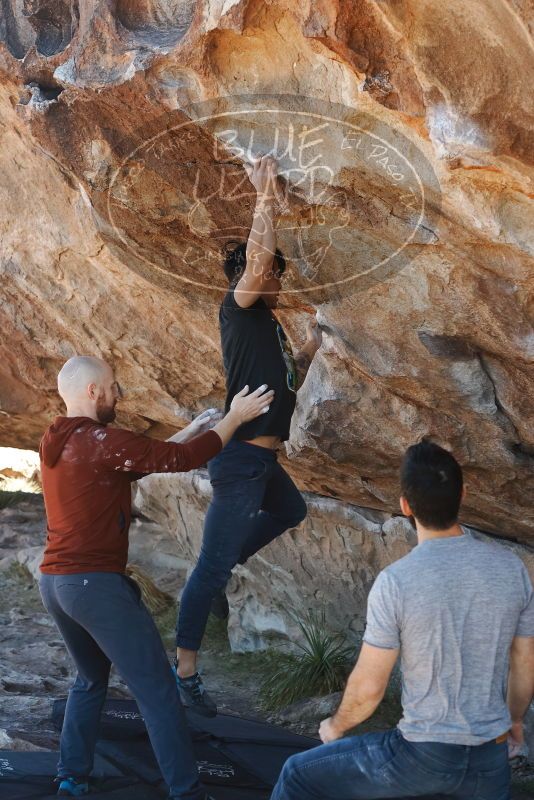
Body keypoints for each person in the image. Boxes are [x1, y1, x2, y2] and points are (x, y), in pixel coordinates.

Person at [38, 355, 274, 799]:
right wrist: (234, 419)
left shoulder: (60, 439)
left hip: (56, 584)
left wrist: (192, 429)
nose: (117, 393)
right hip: (92, 586)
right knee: (158, 690)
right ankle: (186, 791)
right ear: (93, 392)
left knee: (90, 680)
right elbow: (182, 460)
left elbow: (140, 461)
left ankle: (71, 776)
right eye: (111, 385)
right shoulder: (97, 440)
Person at [271, 439, 534, 800]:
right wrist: (515, 721)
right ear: (463, 495)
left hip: (421, 758)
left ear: (405, 506)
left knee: (297, 774)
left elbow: (369, 688)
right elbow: (524, 663)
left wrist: (336, 725)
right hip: (490, 760)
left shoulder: (396, 581)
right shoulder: (511, 569)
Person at [174, 154, 323, 715]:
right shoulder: (238, 309)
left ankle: (224, 560)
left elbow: (288, 378)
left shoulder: (269, 327)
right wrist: (266, 198)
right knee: (208, 570)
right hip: (239, 462)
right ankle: (185, 672)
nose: (277, 283)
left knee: (292, 511)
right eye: (274, 275)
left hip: (263, 465)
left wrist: (311, 348)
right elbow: (257, 266)